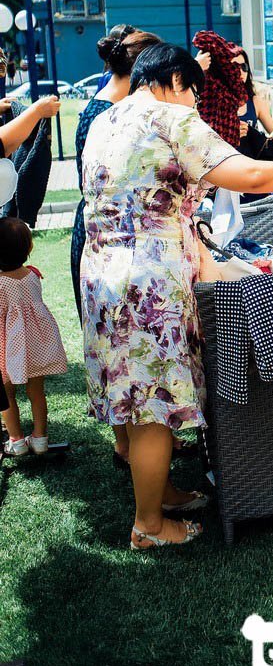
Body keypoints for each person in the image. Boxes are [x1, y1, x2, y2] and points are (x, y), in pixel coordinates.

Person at [80, 43, 273, 551]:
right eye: (194, 93)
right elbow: (250, 173)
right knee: (154, 406)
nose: (196, 104)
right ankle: (149, 526)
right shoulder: (171, 118)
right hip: (149, 279)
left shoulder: (106, 119)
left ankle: (162, 494)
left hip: (102, 271)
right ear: (175, 81)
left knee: (137, 395)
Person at [70, 24, 162, 471]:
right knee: (118, 350)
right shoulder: (108, 113)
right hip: (107, 235)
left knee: (118, 349)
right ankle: (128, 444)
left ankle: (140, 442)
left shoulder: (106, 105)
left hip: (106, 234)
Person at [0, 217, 67, 456]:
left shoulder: (0, 284)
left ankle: (16, 440)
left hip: (8, 346)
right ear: (29, 247)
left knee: (6, 394)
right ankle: (40, 438)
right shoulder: (33, 275)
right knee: (37, 392)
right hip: (36, 344)